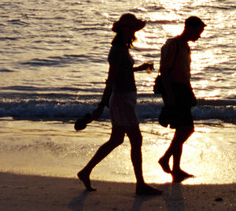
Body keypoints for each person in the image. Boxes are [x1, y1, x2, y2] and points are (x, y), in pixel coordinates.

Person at [77, 13, 162, 195]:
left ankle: (85, 171)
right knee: (135, 139)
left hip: (126, 98)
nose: (133, 31)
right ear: (122, 29)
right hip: (122, 99)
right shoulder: (117, 50)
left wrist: (139, 68)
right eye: (130, 27)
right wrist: (101, 105)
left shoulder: (122, 48)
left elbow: (123, 70)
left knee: (116, 139)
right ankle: (140, 184)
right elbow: (111, 79)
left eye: (134, 28)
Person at [158, 16, 205, 182]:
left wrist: (189, 91)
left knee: (180, 130)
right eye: (198, 32)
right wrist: (170, 96)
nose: (199, 36)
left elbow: (184, 71)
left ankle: (176, 169)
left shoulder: (185, 46)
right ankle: (165, 158)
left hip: (183, 89)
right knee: (187, 128)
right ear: (189, 28)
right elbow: (164, 71)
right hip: (174, 90)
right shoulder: (173, 44)